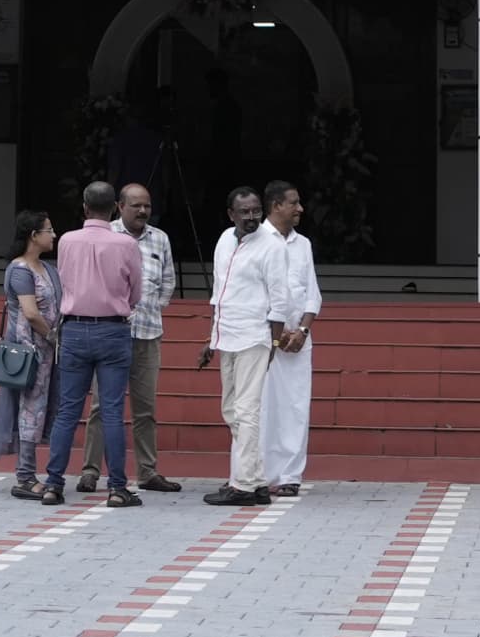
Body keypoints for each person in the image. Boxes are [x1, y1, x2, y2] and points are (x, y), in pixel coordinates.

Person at [70, 182, 180, 492]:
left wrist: (151, 309)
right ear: (120, 206)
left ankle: (147, 472)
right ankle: (90, 471)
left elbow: (168, 282)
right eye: (136, 205)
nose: (143, 210)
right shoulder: (106, 236)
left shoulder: (160, 239)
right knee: (101, 407)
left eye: (147, 205)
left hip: (148, 334)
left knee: (145, 408)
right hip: (111, 333)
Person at [39, 180, 144, 506]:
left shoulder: (67, 241)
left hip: (74, 329)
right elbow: (136, 291)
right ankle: (116, 488)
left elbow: (64, 280)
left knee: (68, 410)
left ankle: (53, 484)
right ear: (115, 208)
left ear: (84, 208)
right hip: (113, 330)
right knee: (111, 411)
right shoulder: (126, 245)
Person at [196, 187, 277, 504]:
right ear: (231, 214)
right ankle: (256, 481)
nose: (252, 217)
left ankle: (242, 485)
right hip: (226, 336)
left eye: (256, 210)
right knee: (231, 410)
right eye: (244, 212)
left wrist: (275, 341)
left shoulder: (271, 246)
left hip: (254, 336)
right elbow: (219, 293)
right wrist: (210, 338)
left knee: (246, 410)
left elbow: (280, 299)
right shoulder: (224, 240)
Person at [256, 181, 323, 495]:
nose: (300, 209)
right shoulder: (254, 240)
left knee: (296, 407)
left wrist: (303, 330)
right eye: (293, 203)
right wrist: (277, 333)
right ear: (275, 205)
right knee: (262, 406)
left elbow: (312, 294)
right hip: (263, 339)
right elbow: (253, 294)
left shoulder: (303, 244)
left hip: (298, 340)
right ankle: (259, 473)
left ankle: (289, 478)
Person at [0, 210, 57, 495]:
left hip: (46, 351)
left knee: (38, 408)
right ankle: (26, 477)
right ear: (33, 235)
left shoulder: (47, 268)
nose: (54, 235)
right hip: (29, 353)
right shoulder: (20, 270)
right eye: (49, 230)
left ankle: (29, 472)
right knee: (30, 410)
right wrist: (54, 336)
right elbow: (30, 313)